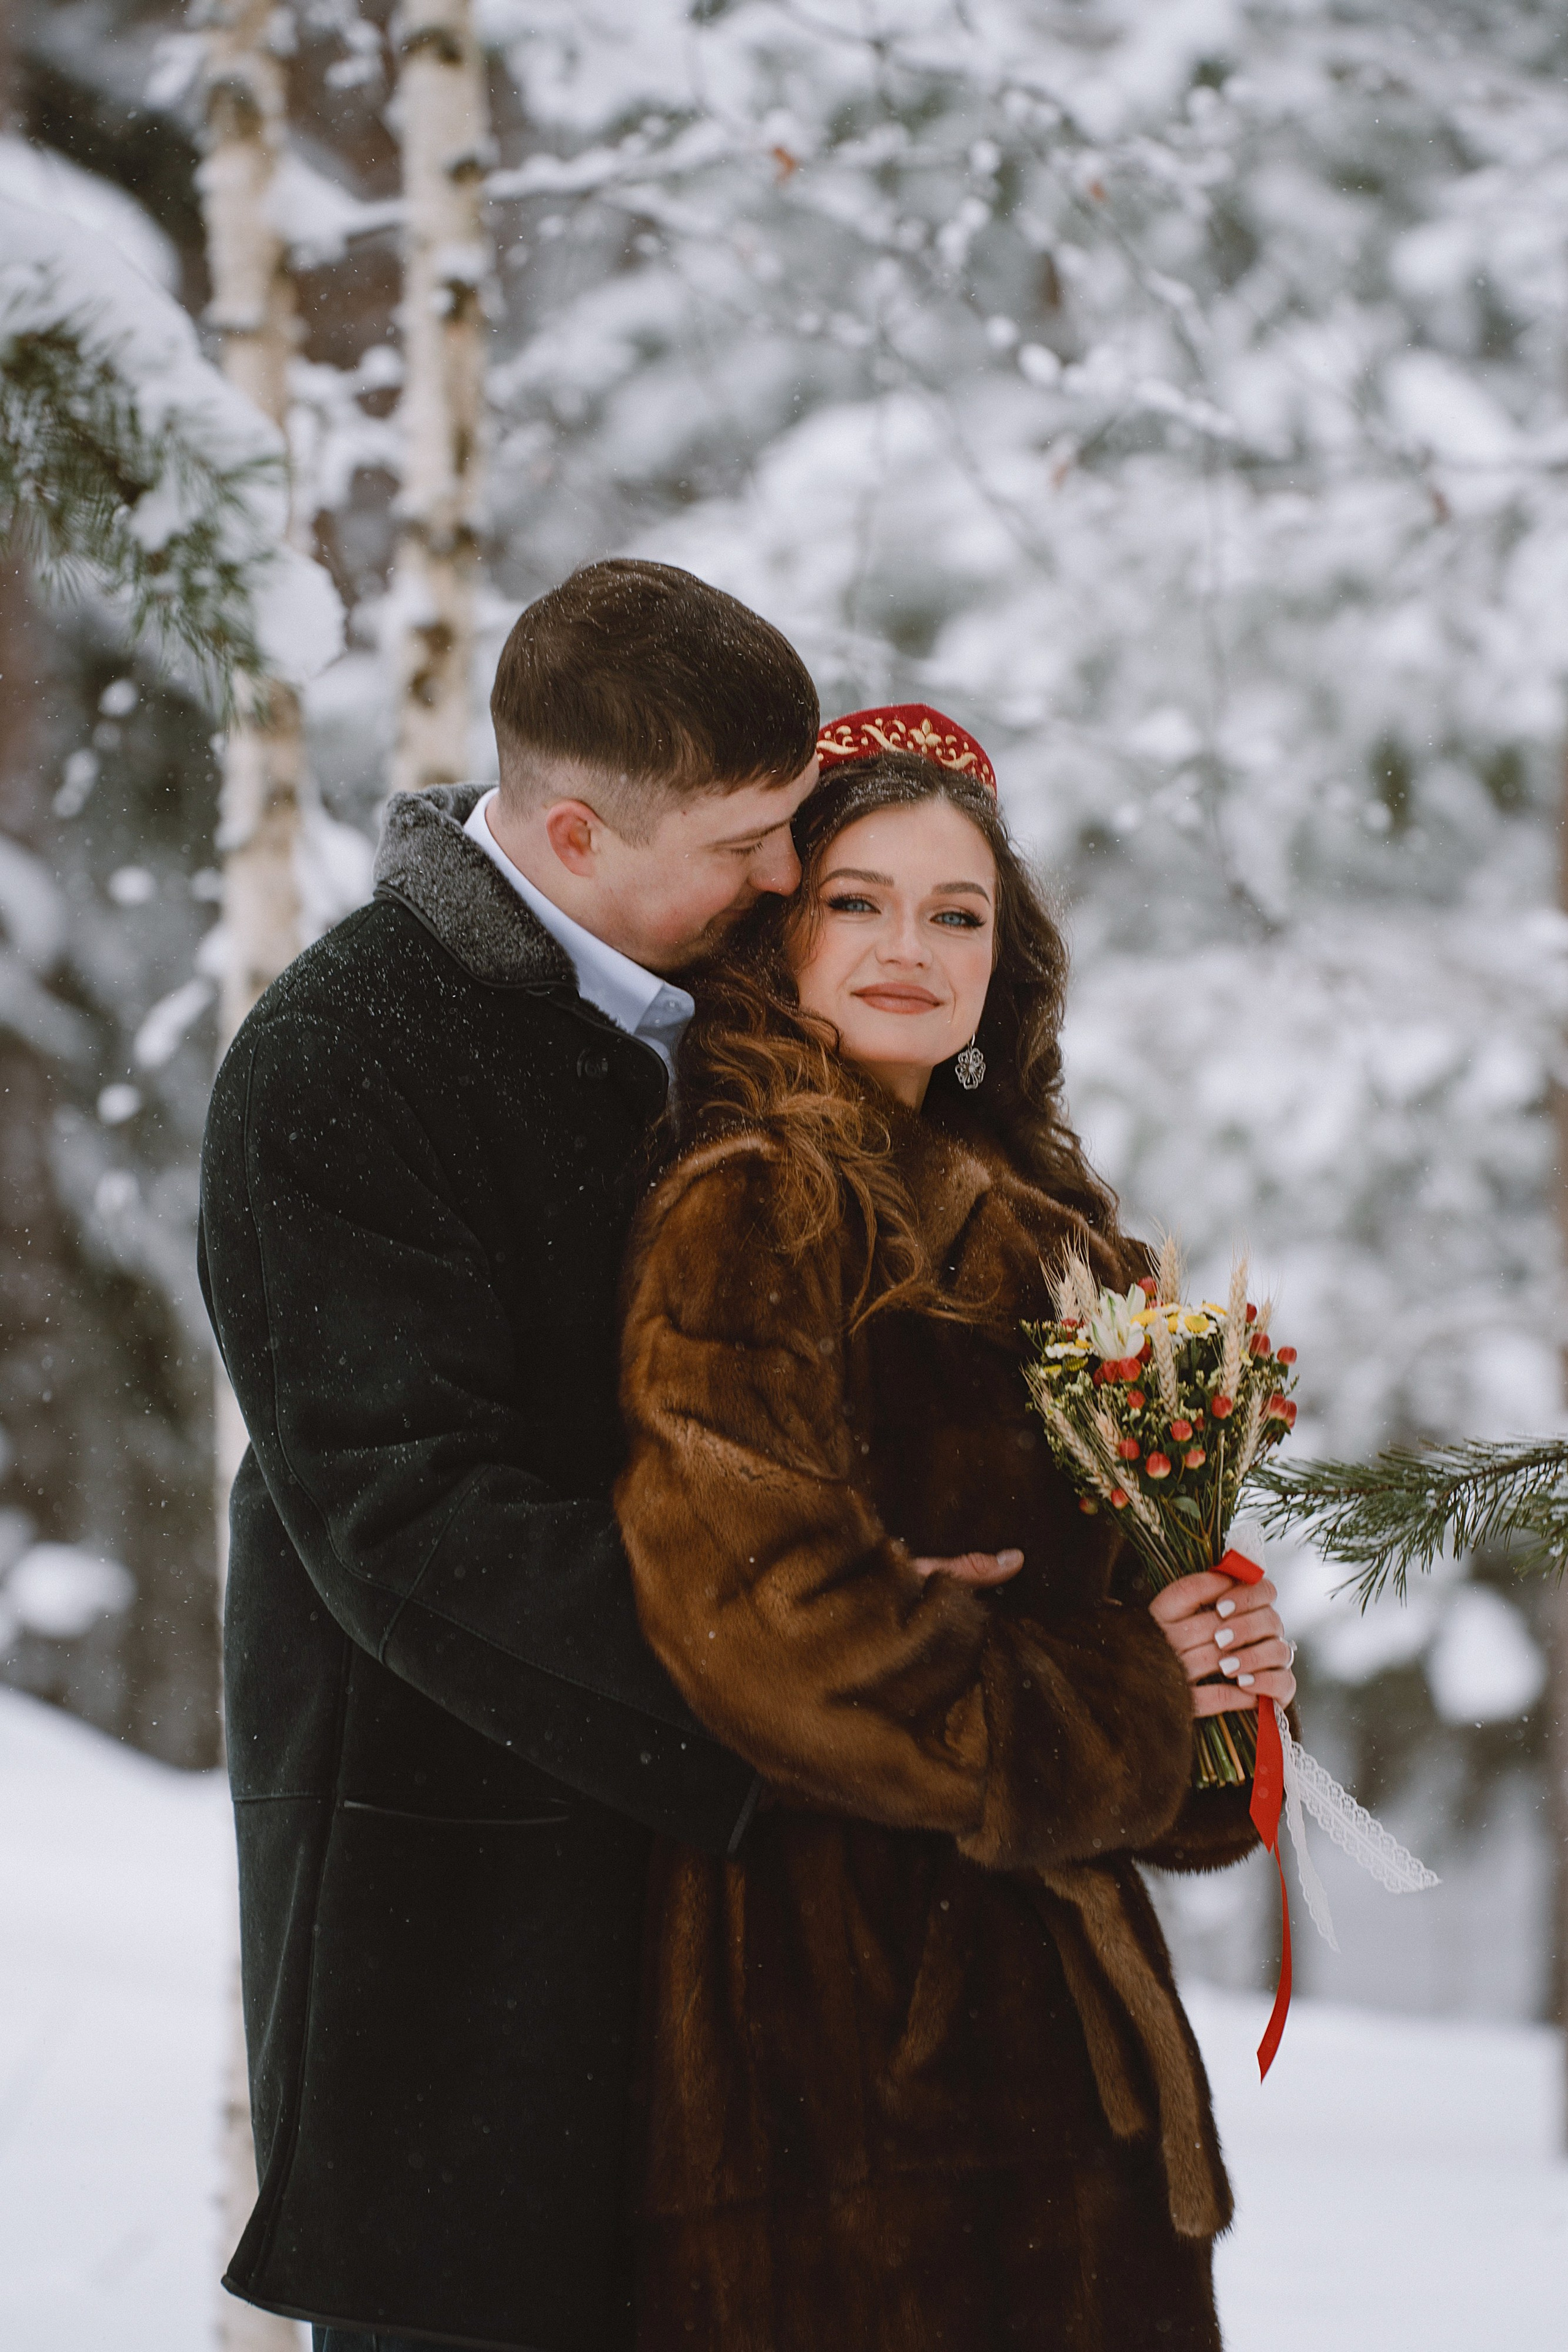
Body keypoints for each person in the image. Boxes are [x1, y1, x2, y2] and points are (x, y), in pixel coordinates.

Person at [202, 560, 909, 2352]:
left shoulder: (751, 999)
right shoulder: (341, 1059)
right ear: (578, 834)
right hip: (461, 1912)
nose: (785, 874)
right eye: (752, 837)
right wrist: (801, 1685)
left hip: (727, 1938)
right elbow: (405, 1512)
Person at [614, 710, 1297, 2352]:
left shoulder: (1079, 1256)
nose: (909, 947)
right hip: (834, 2052)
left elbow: (1164, 1758)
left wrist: (1224, 1675)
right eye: (858, 899)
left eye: (957, 911)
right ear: (782, 926)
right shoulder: (754, 1195)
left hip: (1078, 2059)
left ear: (1009, 958)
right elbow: (766, 1628)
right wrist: (1124, 1691)